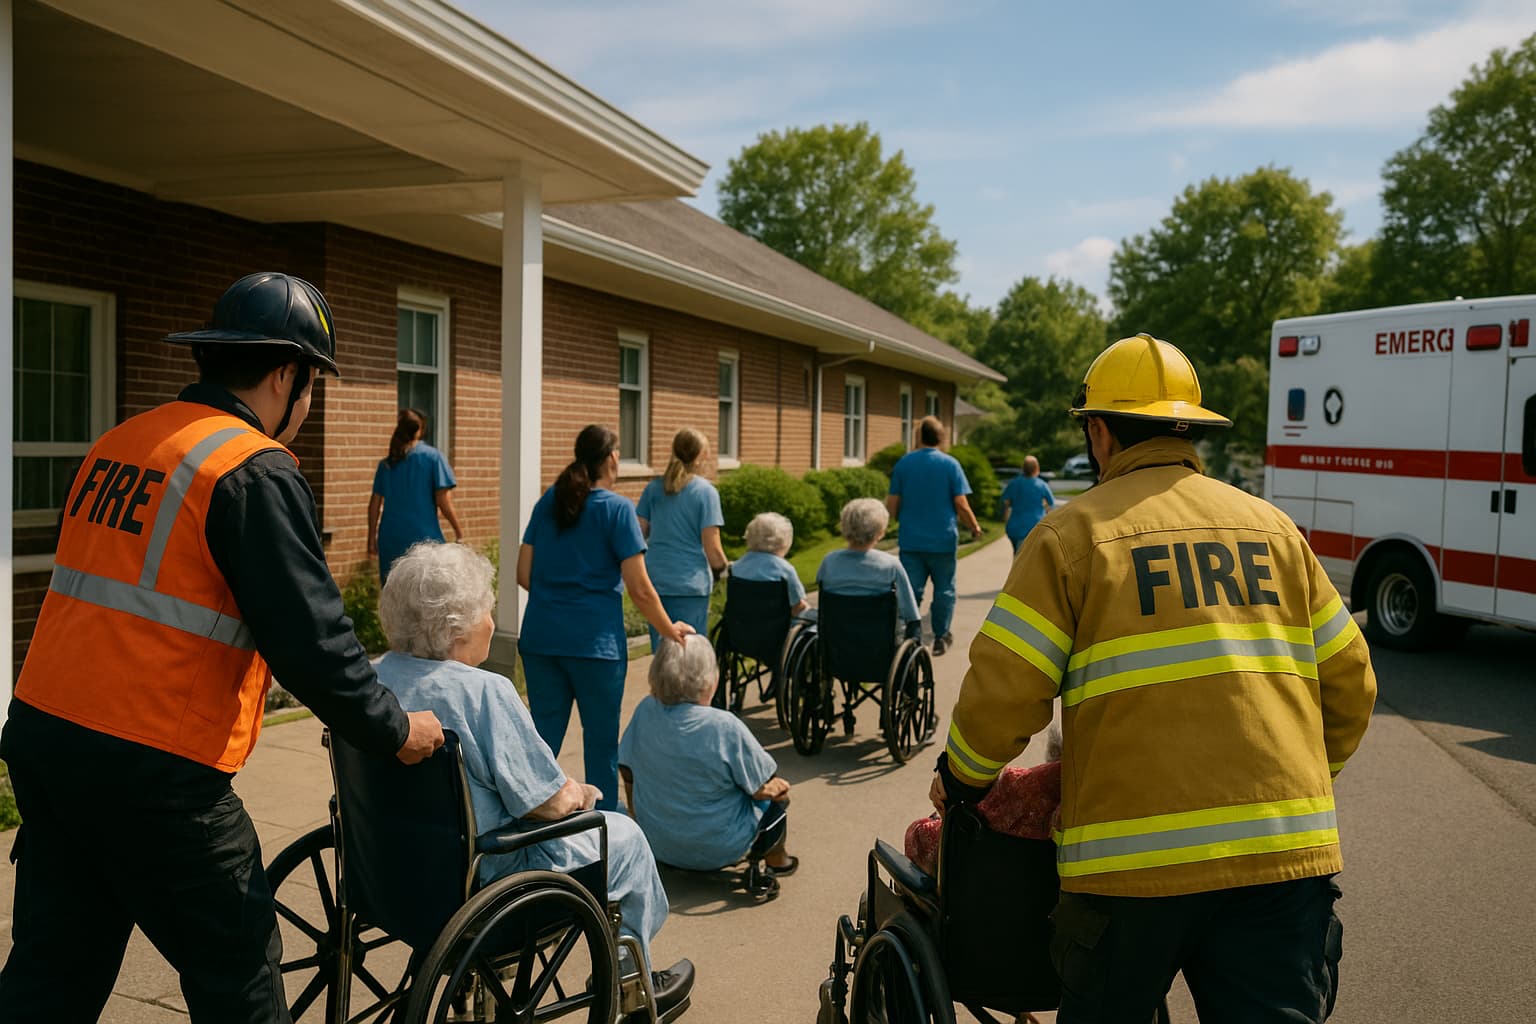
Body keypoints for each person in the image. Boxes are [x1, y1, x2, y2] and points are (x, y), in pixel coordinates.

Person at [0, 272, 444, 1024]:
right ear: (285, 375)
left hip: (47, 743)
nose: (308, 405)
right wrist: (397, 730)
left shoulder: (121, 441)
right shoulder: (251, 468)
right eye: (312, 387)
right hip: (155, 773)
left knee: (52, 972)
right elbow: (314, 641)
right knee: (238, 968)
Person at [932, 333, 1377, 1023]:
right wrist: (1303, 780)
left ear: (1100, 433)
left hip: (1128, 876)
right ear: (1189, 430)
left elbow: (1003, 692)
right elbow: (1351, 680)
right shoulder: (1274, 531)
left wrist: (963, 777)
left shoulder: (1070, 537)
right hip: (1281, 861)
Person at [375, 542, 694, 1013]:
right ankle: (630, 981)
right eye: (488, 609)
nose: (492, 620)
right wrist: (580, 793)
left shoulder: (377, 681)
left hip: (393, 868)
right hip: (484, 877)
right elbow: (543, 802)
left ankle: (483, 977)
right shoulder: (482, 691)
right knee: (621, 834)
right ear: (455, 627)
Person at [518, 424, 690, 812]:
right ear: (612, 458)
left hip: (542, 637)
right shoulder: (617, 509)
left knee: (540, 741)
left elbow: (523, 574)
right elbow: (640, 589)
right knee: (600, 747)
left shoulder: (548, 502)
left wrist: (557, 597)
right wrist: (669, 630)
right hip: (595, 646)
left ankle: (524, 817)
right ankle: (604, 841)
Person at [618, 635, 797, 890]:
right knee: (779, 797)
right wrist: (771, 787)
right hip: (721, 846)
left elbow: (627, 770)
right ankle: (777, 859)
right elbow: (761, 785)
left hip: (657, 841)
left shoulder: (646, 709)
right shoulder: (724, 726)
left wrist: (638, 814)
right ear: (709, 681)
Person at [904, 723, 1062, 877]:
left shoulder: (1029, 790)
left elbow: (991, 713)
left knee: (922, 835)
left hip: (989, 875)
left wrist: (953, 775)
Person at [886, 416, 983, 655]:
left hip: (911, 540)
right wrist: (974, 526)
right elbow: (961, 503)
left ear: (919, 437)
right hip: (942, 540)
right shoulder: (950, 465)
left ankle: (909, 635)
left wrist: (898, 520)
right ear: (940, 437)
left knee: (911, 591)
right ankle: (940, 636)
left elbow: (892, 503)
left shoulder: (904, 464)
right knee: (944, 591)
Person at [636, 428, 729, 650]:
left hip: (656, 579)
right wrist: (725, 570)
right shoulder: (706, 492)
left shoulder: (653, 489)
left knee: (662, 651)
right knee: (689, 653)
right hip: (689, 584)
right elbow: (712, 548)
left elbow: (638, 532)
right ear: (700, 456)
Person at [367, 407, 464, 582]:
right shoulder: (433, 458)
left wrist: (371, 539)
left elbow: (374, 504)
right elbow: (444, 501)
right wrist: (459, 532)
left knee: (394, 598)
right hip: (423, 541)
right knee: (426, 596)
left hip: (390, 538)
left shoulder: (387, 464)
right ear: (420, 430)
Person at [817, 498, 921, 640]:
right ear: (880, 532)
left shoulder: (829, 562)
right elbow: (911, 614)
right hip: (880, 644)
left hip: (837, 643)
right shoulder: (890, 565)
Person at [731, 511, 809, 618]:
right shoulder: (785, 570)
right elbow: (798, 606)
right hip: (776, 631)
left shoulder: (736, 568)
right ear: (783, 541)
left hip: (740, 628)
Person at [1000, 455, 1056, 554]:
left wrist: (1005, 516)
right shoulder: (1042, 485)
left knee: (1018, 555)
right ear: (1037, 468)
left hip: (1015, 527)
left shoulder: (1014, 483)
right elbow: (1051, 504)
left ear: (1023, 469)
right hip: (1035, 526)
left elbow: (1006, 502)